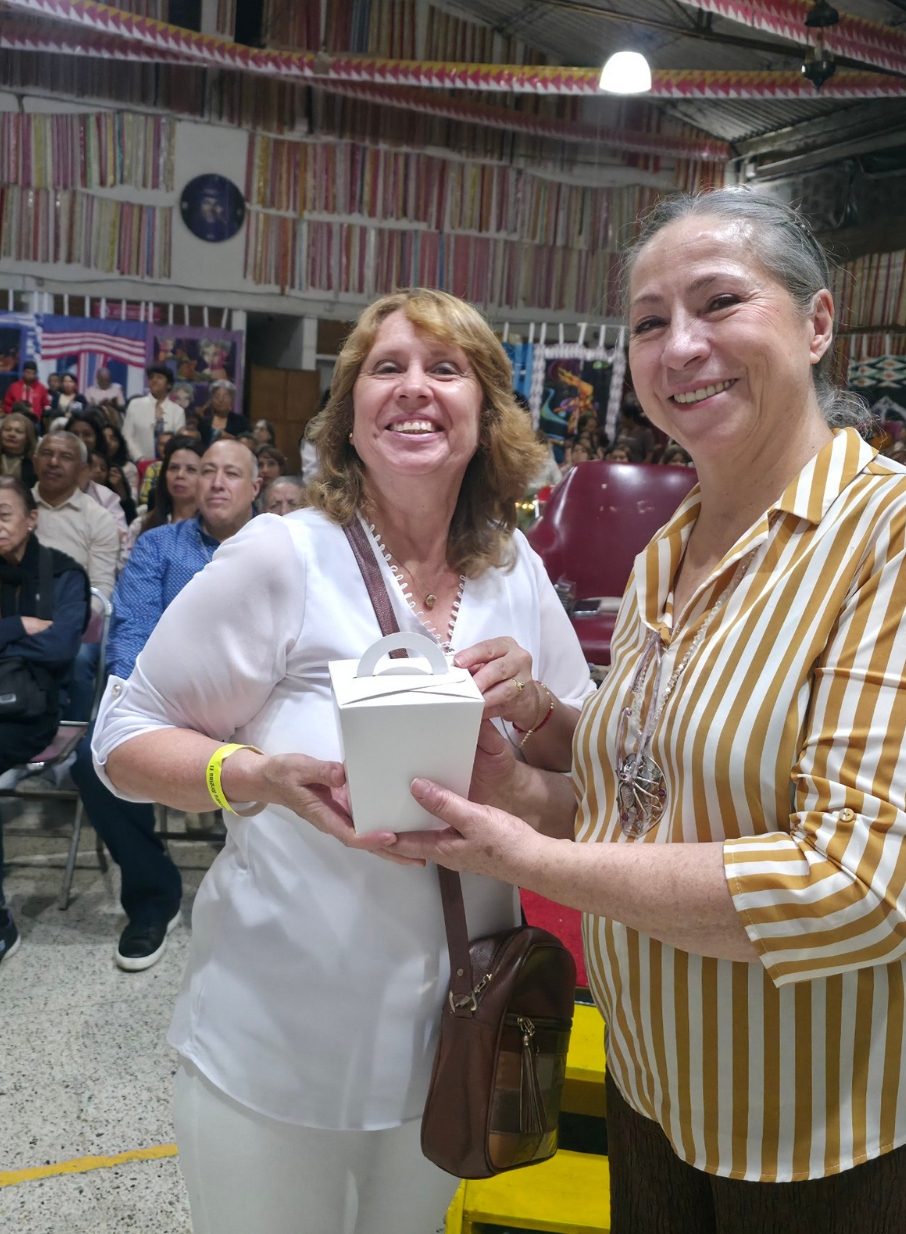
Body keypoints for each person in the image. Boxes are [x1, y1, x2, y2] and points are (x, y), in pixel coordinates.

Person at [371, 194, 906, 1234]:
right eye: (648, 321)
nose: (680, 346)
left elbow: (858, 888)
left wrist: (529, 861)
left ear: (817, 323)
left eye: (720, 302)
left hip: (870, 1117)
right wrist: (530, 761)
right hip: (666, 1089)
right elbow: (652, 793)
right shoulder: (670, 548)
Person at [93, 288, 593, 1234]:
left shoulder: (513, 569)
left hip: (454, 1034)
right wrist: (252, 777)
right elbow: (122, 737)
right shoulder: (284, 557)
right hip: (278, 1037)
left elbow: (587, 776)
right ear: (350, 415)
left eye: (446, 370)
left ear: (486, 411)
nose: (415, 388)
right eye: (385, 367)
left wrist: (537, 711)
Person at [74, 440, 260, 973]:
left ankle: (271, 902)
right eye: (207, 471)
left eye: (231, 473)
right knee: (94, 759)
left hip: (261, 700)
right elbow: (133, 625)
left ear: (255, 487)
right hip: (172, 700)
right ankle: (153, 895)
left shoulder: (284, 546)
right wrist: (126, 704)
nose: (217, 482)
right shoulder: (160, 545)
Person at [0, 475, 90, 969]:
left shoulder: (62, 573)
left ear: (31, 519)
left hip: (31, 711)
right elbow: (40, 639)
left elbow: (59, 648)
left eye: (3, 514)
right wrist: (16, 627)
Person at [32, 433, 120, 599]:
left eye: (66, 457)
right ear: (35, 463)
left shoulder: (99, 518)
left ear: (82, 470)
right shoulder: (12, 508)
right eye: (47, 454)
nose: (53, 462)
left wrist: (80, 614)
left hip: (72, 610)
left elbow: (100, 587)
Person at [134, 437, 205, 541]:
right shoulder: (141, 525)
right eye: (174, 468)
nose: (180, 475)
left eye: (191, 469)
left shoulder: (216, 528)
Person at [123, 364, 186, 463]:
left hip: (168, 464)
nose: (154, 380)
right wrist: (140, 459)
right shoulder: (135, 405)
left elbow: (179, 441)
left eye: (159, 377)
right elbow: (126, 435)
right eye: (151, 377)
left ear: (169, 385)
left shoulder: (177, 411)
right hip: (138, 464)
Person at [198, 381, 250, 445]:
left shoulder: (241, 422)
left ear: (232, 400)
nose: (220, 400)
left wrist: (231, 438)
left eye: (225, 397)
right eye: (217, 396)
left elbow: (248, 444)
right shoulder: (203, 423)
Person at [0, 412, 37, 486]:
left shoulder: (34, 464)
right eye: (7, 430)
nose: (12, 434)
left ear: (28, 437)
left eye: (19, 432)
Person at [102, 423, 139, 496]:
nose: (108, 442)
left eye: (113, 439)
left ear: (120, 444)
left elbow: (133, 498)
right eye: (104, 438)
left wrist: (120, 487)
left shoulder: (128, 468)